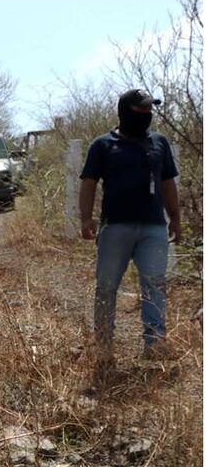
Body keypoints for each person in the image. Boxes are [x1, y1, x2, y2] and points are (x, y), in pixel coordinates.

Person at [79, 88, 180, 371]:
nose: (147, 115)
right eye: (141, 110)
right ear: (125, 111)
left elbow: (168, 183)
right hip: (115, 228)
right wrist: (86, 219)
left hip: (153, 228)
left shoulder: (159, 143)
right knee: (107, 287)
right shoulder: (102, 145)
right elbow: (88, 182)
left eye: (150, 110)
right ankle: (103, 348)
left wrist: (176, 218)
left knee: (155, 285)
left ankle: (155, 344)